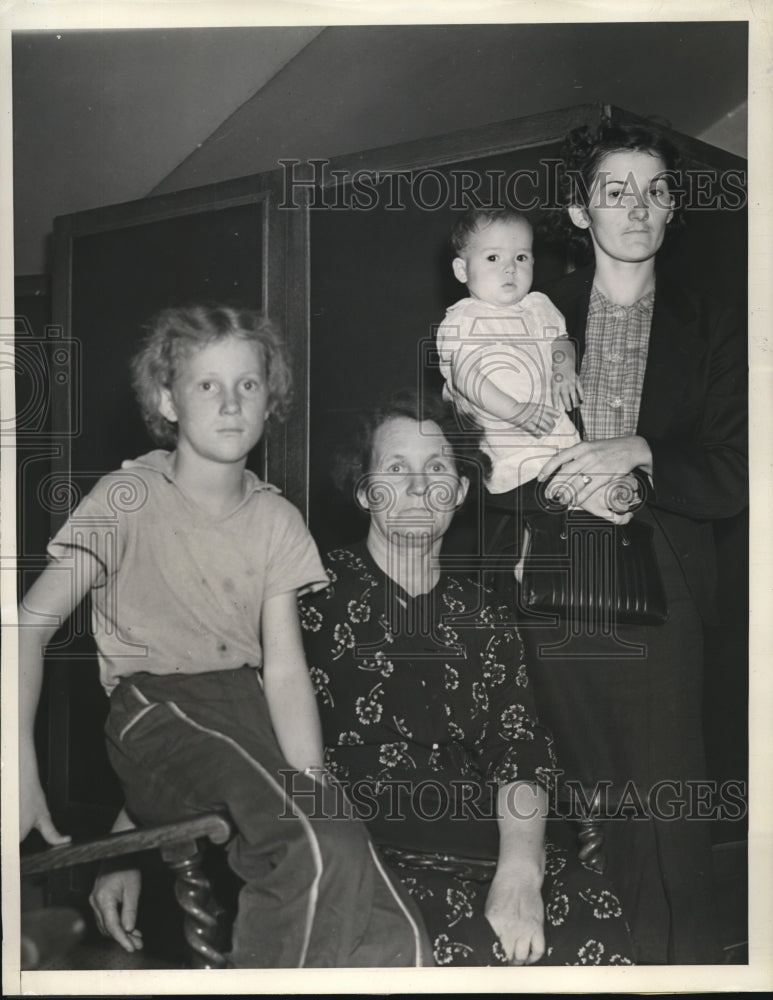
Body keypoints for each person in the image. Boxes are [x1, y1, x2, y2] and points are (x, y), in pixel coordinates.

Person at [18, 305, 430, 968]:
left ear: (272, 399)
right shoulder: (129, 497)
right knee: (313, 846)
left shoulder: (276, 518)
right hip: (154, 707)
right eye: (207, 384)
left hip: (247, 711)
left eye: (248, 384)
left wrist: (315, 791)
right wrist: (18, 767)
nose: (231, 401)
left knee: (392, 931)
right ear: (165, 399)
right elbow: (24, 628)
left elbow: (286, 674)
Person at [512, 120, 748, 963]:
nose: (637, 207)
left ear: (671, 206)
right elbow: (482, 446)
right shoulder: (529, 313)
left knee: (664, 812)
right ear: (581, 212)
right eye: (616, 191)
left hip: (664, 580)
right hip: (550, 573)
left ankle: (678, 970)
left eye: (654, 190)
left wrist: (638, 453)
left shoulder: (715, 322)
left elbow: (736, 468)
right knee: (577, 796)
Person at [299, 389, 634, 966]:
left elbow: (520, 751)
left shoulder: (485, 613)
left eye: (436, 469)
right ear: (364, 491)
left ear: (459, 492)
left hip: (483, 840)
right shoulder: (309, 596)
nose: (416, 486)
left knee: (587, 912)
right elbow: (229, 713)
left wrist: (521, 876)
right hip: (360, 850)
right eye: (395, 469)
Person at [435, 207, 583, 499]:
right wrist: (516, 411)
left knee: (579, 491)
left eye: (521, 257)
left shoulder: (538, 306)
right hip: (510, 451)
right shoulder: (463, 320)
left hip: (556, 435)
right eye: (493, 258)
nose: (510, 268)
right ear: (462, 270)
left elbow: (561, 340)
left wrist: (563, 367)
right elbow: (465, 377)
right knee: (538, 504)